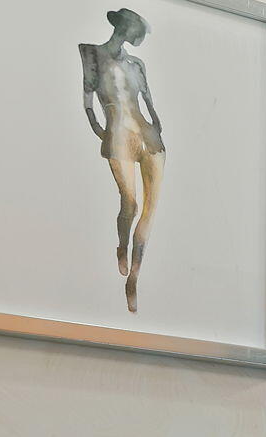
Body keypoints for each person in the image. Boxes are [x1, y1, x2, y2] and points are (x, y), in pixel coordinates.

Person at [80, 9, 164, 313]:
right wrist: (102, 133)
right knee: (130, 202)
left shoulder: (137, 64)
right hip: (117, 135)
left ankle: (134, 278)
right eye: (133, 28)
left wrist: (156, 127)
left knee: (150, 210)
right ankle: (121, 247)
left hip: (149, 138)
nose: (136, 34)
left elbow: (150, 106)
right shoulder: (92, 55)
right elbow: (88, 104)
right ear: (123, 27)